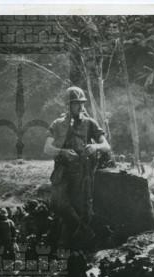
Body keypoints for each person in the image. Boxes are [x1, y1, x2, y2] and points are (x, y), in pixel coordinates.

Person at [43, 86, 111, 250]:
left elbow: (106, 146)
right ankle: (83, 235)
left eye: (82, 103)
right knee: (58, 203)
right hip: (62, 172)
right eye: (76, 103)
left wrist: (95, 147)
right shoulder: (58, 124)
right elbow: (47, 148)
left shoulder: (90, 123)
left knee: (83, 209)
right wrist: (63, 152)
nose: (80, 107)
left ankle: (78, 245)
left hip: (83, 173)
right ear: (68, 105)